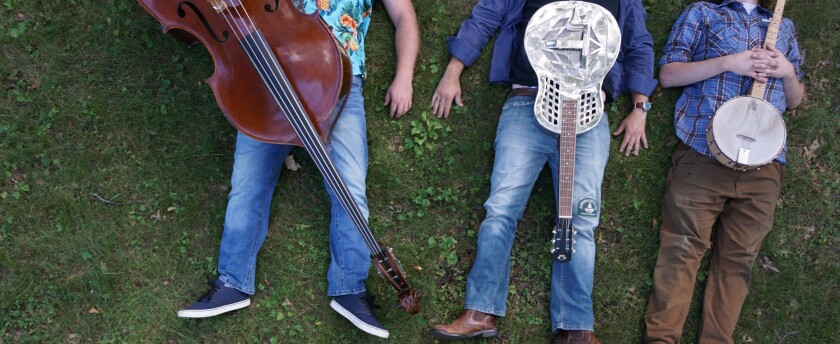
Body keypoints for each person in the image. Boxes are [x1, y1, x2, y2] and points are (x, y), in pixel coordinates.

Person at [175, 0, 418, 339]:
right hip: (266, 66)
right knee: (247, 184)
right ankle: (232, 281)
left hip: (338, 78)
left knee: (349, 188)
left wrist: (404, 77)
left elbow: (404, 15)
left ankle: (350, 288)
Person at [428, 0, 657, 342]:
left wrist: (640, 106)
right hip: (527, 102)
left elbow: (637, 42)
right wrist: (453, 70)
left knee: (580, 220)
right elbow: (487, 15)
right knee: (501, 209)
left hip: (590, 111)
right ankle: (480, 311)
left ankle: (576, 329)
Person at [642, 0, 804, 342]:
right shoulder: (704, 13)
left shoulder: (783, 27)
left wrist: (787, 72)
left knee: (739, 261)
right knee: (682, 251)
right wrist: (731, 63)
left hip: (764, 164)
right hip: (704, 154)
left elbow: (795, 100)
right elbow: (669, 75)